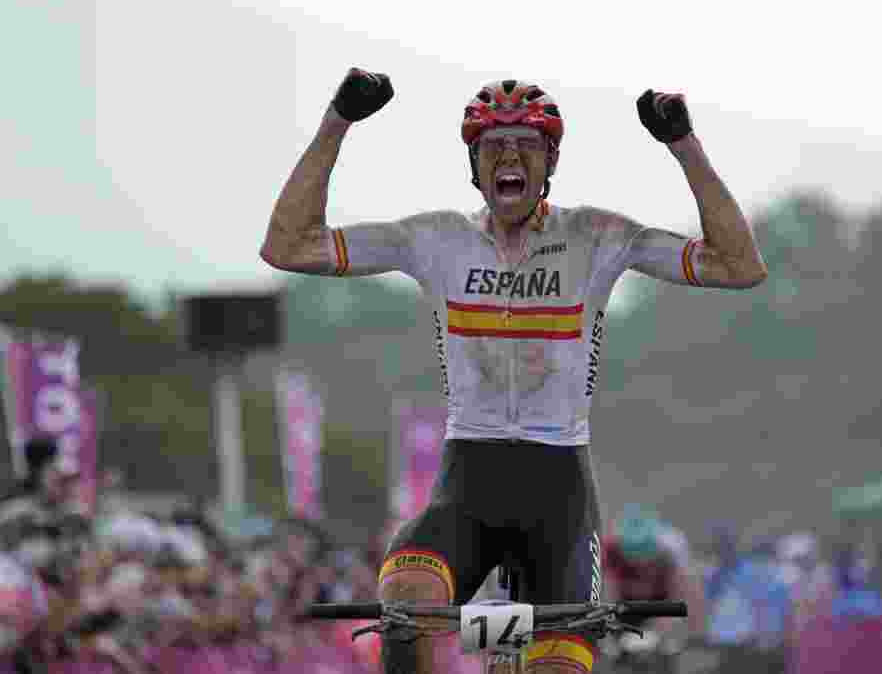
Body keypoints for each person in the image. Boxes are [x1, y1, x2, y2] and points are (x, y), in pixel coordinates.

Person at [261, 68, 767, 674]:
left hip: (560, 501)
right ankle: (494, 649)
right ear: (473, 165)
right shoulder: (436, 240)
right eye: (493, 145)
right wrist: (337, 120)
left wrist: (683, 145)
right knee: (407, 608)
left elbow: (739, 265)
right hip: (464, 493)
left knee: (542, 664)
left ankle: (512, 651)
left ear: (550, 161)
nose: (509, 156)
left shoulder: (596, 236)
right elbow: (287, 245)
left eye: (525, 145)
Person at [601, 507, 706, 672]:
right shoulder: (609, 551)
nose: (638, 561)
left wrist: (663, 628)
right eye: (632, 550)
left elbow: (683, 597)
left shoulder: (670, 551)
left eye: (642, 549)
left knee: (670, 642)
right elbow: (605, 593)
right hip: (624, 609)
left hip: (659, 607)